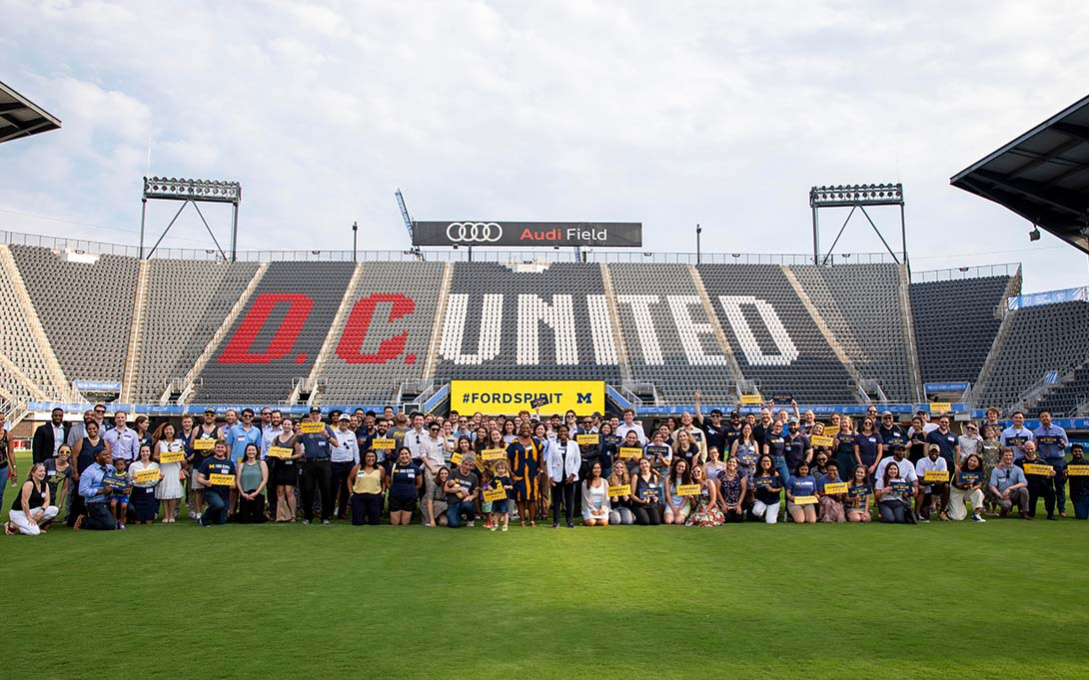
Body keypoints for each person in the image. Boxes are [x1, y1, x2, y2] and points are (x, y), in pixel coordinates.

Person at [298, 408, 337, 525]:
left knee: (325, 490)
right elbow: (293, 442)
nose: (315, 416)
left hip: (324, 461)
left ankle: (325, 517)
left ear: (320, 415)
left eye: (317, 414)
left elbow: (336, 443)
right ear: (310, 416)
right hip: (309, 462)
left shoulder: (326, 427)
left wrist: (327, 436)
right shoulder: (305, 428)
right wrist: (296, 435)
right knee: (308, 489)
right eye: (313, 414)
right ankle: (308, 517)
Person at [70, 420, 110, 527]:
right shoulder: (81, 441)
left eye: (94, 428)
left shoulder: (104, 442)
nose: (92, 430)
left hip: (100, 473)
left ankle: (93, 517)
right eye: (89, 429)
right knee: (80, 497)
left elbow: (108, 457)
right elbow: (74, 457)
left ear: (98, 429)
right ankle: (75, 519)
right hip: (85, 473)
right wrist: (75, 472)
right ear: (86, 430)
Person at [5, 463, 59, 536]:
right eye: (40, 471)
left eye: (44, 471)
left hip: (33, 510)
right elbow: (24, 502)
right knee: (35, 532)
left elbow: (47, 500)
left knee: (54, 510)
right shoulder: (29, 484)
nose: (43, 473)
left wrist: (41, 511)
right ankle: (13, 524)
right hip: (20, 512)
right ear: (33, 473)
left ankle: (35, 525)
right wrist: (29, 517)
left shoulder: (45, 485)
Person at [74, 446, 120, 531]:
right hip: (95, 502)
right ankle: (83, 520)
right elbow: (82, 491)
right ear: (97, 456)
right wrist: (101, 491)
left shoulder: (111, 468)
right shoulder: (89, 472)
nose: (107, 456)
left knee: (130, 510)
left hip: (110, 500)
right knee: (110, 525)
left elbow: (118, 480)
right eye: (104, 455)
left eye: (108, 454)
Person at [1033, 410, 1069, 516]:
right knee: (1047, 486)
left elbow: (1066, 444)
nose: (1044, 418)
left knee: (1060, 485)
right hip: (1044, 461)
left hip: (1058, 460)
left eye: (1046, 416)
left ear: (1051, 417)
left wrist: (1062, 444)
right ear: (1040, 419)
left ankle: (1062, 509)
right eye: (1042, 417)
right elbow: (1035, 447)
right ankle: (1049, 509)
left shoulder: (1059, 430)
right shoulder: (1037, 432)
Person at [508, 424, 544, 527]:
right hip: (518, 474)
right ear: (520, 429)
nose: (525, 430)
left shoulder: (537, 442)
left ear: (531, 430)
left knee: (532, 497)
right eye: (523, 428)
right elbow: (509, 458)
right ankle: (522, 520)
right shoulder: (514, 443)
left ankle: (532, 520)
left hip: (533, 474)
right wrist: (510, 472)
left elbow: (541, 456)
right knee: (520, 498)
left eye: (528, 428)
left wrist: (541, 471)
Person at [546, 425, 581, 528]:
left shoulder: (574, 444)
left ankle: (569, 521)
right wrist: (550, 475)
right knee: (556, 501)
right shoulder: (553, 445)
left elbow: (577, 460)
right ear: (558, 433)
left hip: (570, 476)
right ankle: (556, 522)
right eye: (561, 431)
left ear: (568, 432)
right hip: (557, 475)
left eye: (565, 431)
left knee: (569, 500)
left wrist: (573, 474)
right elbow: (549, 460)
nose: (563, 433)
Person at [196, 440, 236, 527]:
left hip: (224, 493)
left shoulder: (230, 463)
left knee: (220, 521)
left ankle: (211, 509)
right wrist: (206, 482)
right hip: (211, 491)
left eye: (222, 447)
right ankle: (204, 518)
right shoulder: (207, 461)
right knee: (219, 505)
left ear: (225, 449)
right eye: (218, 447)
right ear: (214, 449)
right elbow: (199, 478)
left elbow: (233, 480)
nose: (220, 449)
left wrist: (233, 485)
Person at [330, 414, 361, 521]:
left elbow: (355, 450)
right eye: (342, 421)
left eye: (346, 422)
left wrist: (357, 465)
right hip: (335, 463)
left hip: (349, 464)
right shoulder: (333, 433)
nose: (344, 423)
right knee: (333, 489)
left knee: (345, 490)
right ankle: (330, 511)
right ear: (339, 422)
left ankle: (342, 512)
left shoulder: (352, 434)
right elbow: (329, 449)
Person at [1016, 441, 1057, 520]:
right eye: (1028, 449)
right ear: (1024, 449)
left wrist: (1051, 475)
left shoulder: (1042, 462)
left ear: (1035, 448)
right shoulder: (1019, 461)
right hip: (1027, 486)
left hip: (1040, 485)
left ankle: (1050, 514)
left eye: (1031, 449)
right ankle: (1028, 512)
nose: (1030, 451)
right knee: (1031, 513)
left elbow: (1047, 477)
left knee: (1051, 492)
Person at [154, 422, 185, 523]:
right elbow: (154, 456)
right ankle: (165, 515)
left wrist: (181, 457)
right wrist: (164, 458)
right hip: (164, 469)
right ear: (163, 431)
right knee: (164, 493)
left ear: (174, 430)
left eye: (171, 429)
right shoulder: (160, 443)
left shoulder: (179, 442)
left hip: (175, 469)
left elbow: (183, 457)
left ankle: (172, 515)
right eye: (166, 429)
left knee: (173, 493)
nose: (169, 431)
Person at [989, 448, 1031, 519]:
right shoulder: (996, 470)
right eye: (1006, 455)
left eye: (1010, 455)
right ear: (1002, 457)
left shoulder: (1018, 469)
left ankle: (1024, 512)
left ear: (1013, 457)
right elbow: (992, 486)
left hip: (1014, 494)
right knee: (1007, 505)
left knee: (1024, 490)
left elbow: (1024, 483)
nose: (1008, 457)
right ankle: (1004, 511)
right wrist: (1000, 495)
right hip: (1002, 494)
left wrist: (1010, 488)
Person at [349, 450, 387, 526]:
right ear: (364, 458)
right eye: (368, 456)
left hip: (374, 496)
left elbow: (383, 481)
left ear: (376, 458)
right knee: (357, 523)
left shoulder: (380, 469)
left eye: (372, 456)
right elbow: (349, 479)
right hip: (359, 496)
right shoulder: (357, 468)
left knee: (375, 522)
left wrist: (383, 491)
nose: (370, 458)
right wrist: (351, 493)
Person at [915, 443, 951, 522]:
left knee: (947, 487)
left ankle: (941, 511)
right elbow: (920, 480)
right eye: (932, 451)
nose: (934, 453)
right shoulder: (921, 461)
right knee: (926, 515)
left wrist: (935, 481)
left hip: (937, 486)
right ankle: (920, 511)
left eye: (936, 452)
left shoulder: (942, 460)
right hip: (926, 488)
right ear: (928, 452)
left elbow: (944, 478)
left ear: (939, 453)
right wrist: (933, 480)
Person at [387, 447, 422, 526]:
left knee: (405, 523)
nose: (404, 456)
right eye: (402, 454)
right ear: (399, 456)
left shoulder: (415, 468)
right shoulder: (393, 467)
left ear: (410, 455)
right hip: (395, 497)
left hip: (409, 498)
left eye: (406, 454)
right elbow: (388, 482)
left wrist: (410, 490)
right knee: (395, 523)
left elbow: (419, 484)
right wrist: (395, 490)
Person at [948, 453, 987, 522]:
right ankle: (951, 508)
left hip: (968, 490)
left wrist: (973, 488)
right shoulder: (960, 468)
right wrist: (966, 483)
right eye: (970, 460)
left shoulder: (978, 471)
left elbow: (979, 485)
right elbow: (958, 484)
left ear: (978, 464)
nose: (971, 463)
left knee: (978, 492)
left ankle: (976, 514)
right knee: (957, 517)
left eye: (974, 461)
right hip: (957, 491)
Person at [235, 443, 268, 524]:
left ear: (257, 451)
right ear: (246, 452)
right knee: (244, 520)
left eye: (253, 450)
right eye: (249, 450)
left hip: (258, 494)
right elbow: (238, 481)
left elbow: (265, 480)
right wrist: (242, 494)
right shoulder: (242, 465)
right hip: (245, 494)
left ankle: (265, 515)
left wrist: (256, 493)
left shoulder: (262, 463)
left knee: (258, 520)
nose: (251, 452)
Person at [444, 454, 480, 528]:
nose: (467, 467)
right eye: (465, 464)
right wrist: (459, 489)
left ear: (473, 467)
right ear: (461, 463)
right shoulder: (454, 472)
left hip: (465, 501)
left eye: (470, 465)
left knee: (468, 505)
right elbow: (446, 489)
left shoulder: (474, 477)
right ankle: (458, 516)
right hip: (453, 502)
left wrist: (472, 496)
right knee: (453, 525)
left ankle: (470, 520)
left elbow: (476, 492)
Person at [127, 444, 160, 525]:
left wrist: (160, 477)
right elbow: (128, 480)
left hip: (149, 492)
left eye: (147, 451)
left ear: (150, 453)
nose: (145, 453)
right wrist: (132, 478)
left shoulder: (155, 465)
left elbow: (156, 480)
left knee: (148, 522)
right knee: (137, 522)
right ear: (140, 453)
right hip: (137, 492)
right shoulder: (133, 465)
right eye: (143, 451)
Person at [43, 444, 73, 521]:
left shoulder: (69, 468)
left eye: (67, 452)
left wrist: (60, 504)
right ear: (58, 452)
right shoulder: (48, 462)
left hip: (52, 494)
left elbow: (65, 487)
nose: (64, 454)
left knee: (50, 516)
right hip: (41, 491)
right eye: (62, 451)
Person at [751, 454, 782, 524]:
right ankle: (764, 512)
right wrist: (754, 490)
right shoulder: (757, 475)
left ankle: (775, 512)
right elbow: (756, 491)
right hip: (762, 500)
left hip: (774, 501)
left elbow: (780, 488)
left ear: (771, 463)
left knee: (770, 522)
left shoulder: (775, 474)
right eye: (763, 461)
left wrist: (772, 490)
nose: (765, 463)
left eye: (767, 461)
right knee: (756, 511)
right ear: (760, 463)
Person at [631, 457, 663, 525]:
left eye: (645, 463)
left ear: (649, 464)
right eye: (641, 464)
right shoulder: (636, 477)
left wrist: (656, 498)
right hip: (639, 504)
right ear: (639, 466)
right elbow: (632, 495)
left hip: (650, 504)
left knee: (656, 522)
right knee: (645, 522)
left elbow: (655, 492)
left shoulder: (654, 477)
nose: (644, 465)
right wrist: (641, 501)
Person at [663, 458, 694, 525]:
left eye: (682, 466)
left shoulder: (689, 480)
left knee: (678, 521)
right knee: (668, 521)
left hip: (683, 503)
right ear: (675, 467)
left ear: (685, 468)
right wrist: (673, 508)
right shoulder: (669, 478)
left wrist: (679, 509)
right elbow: (667, 494)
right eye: (679, 466)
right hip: (672, 502)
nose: (680, 468)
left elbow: (687, 497)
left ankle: (684, 515)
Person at [717, 456, 747, 523]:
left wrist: (739, 504)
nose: (731, 464)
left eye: (734, 462)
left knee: (738, 519)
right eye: (730, 462)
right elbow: (718, 490)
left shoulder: (740, 474)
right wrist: (723, 504)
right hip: (725, 503)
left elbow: (744, 489)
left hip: (737, 503)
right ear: (727, 463)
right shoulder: (721, 474)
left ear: (736, 464)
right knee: (727, 519)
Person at [580, 460, 611, 526]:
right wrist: (593, 509)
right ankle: (588, 519)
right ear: (591, 470)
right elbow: (585, 499)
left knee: (603, 523)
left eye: (598, 468)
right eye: (594, 468)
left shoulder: (605, 482)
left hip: (602, 507)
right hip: (589, 507)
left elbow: (607, 497)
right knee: (591, 522)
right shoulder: (585, 482)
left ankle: (598, 519)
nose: (597, 470)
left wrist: (602, 508)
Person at [488, 458, 513, 531]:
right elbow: (489, 485)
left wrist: (507, 486)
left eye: (502, 468)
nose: (501, 470)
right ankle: (495, 525)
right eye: (499, 469)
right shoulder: (495, 478)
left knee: (505, 512)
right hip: (496, 498)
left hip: (504, 498)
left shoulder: (506, 478)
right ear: (496, 469)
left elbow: (511, 486)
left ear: (505, 469)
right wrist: (490, 488)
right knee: (495, 512)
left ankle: (505, 525)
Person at [833, 417, 859, 484]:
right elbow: (834, 450)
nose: (844, 424)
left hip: (852, 456)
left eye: (846, 423)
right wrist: (836, 445)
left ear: (849, 423)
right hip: (841, 456)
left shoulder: (856, 434)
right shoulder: (837, 434)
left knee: (853, 474)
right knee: (842, 475)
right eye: (842, 423)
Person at [1067, 444, 1088, 520]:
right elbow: (1062, 482)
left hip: (1088, 491)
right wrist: (1064, 475)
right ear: (1072, 453)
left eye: (1080, 451)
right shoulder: (1068, 465)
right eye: (1075, 451)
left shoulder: (1088, 464)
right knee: (1082, 517)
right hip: (1077, 494)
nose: (1078, 453)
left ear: (1083, 452)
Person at [110, 458, 130, 528]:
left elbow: (129, 485)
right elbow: (111, 484)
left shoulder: (126, 475)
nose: (119, 466)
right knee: (112, 504)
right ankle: (115, 520)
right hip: (115, 494)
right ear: (115, 466)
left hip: (124, 495)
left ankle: (121, 521)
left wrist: (127, 489)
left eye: (121, 464)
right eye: (117, 464)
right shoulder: (113, 475)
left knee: (124, 506)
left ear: (124, 466)